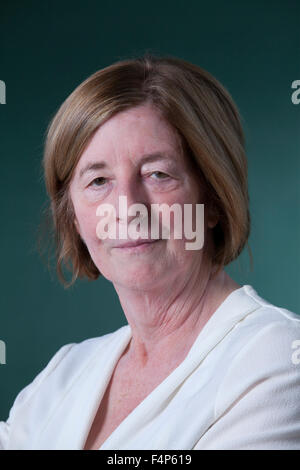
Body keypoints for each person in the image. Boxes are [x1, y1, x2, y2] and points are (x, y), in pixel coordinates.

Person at [1, 54, 300, 450]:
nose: (127, 207)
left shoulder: (277, 361)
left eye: (157, 174)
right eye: (99, 181)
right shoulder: (64, 375)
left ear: (212, 197)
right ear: (73, 216)